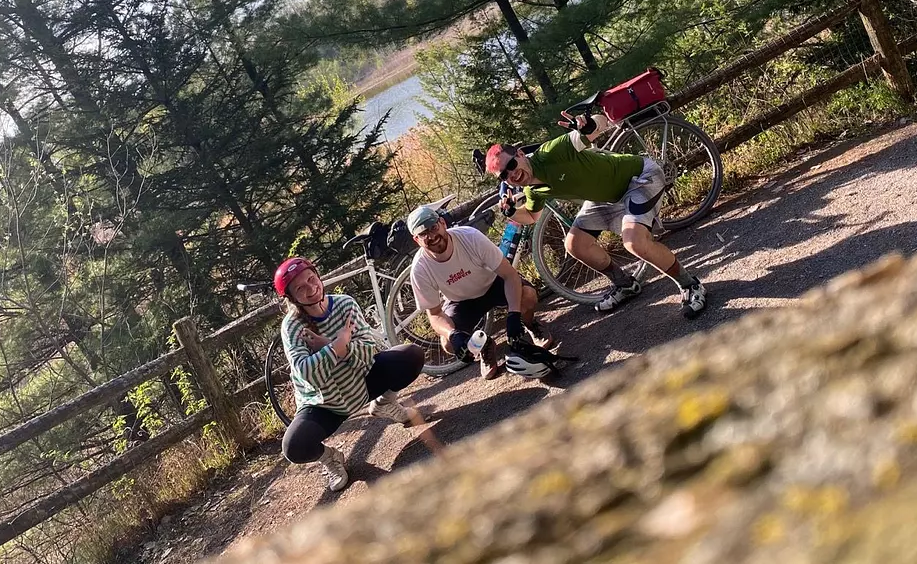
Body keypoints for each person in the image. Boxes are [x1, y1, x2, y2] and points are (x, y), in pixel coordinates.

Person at [484, 112, 707, 319]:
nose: (512, 173)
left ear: (521, 154)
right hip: (605, 199)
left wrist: (589, 123)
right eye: (504, 174)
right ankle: (624, 284)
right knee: (574, 244)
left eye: (511, 164)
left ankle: (690, 284)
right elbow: (531, 217)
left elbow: (599, 124)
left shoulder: (551, 152)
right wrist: (512, 212)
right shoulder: (532, 190)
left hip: (638, 178)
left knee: (635, 243)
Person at [274, 256, 426, 492]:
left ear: (318, 275)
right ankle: (330, 458)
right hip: (325, 402)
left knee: (411, 356)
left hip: (362, 381)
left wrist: (329, 345)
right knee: (294, 447)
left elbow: (368, 352)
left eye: (311, 279)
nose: (311, 288)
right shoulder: (292, 326)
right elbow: (306, 374)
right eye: (300, 288)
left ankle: (385, 404)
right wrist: (339, 345)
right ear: (292, 298)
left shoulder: (345, 304)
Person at [406, 204, 555, 380]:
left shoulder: (470, 237)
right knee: (447, 343)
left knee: (528, 297)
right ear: (417, 239)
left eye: (433, 228)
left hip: (494, 283)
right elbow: (435, 314)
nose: (432, 236)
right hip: (462, 301)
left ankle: (530, 325)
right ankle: (484, 346)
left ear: (442, 223)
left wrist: (514, 314)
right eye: (424, 234)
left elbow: (509, 275)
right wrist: (453, 334)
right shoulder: (420, 268)